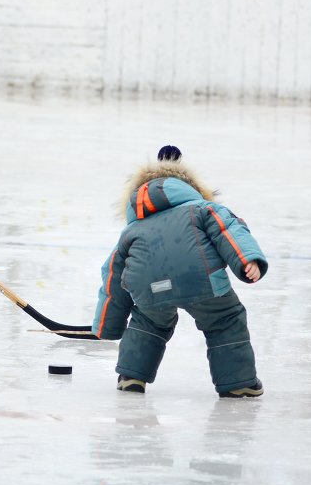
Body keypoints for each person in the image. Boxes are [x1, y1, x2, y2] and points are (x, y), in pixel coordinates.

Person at [92, 145, 268, 397]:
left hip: (149, 287)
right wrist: (246, 260)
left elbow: (112, 274)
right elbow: (228, 229)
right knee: (225, 319)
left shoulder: (132, 231)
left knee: (148, 321)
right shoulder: (201, 208)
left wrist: (108, 325)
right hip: (198, 279)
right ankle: (238, 384)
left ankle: (131, 376)